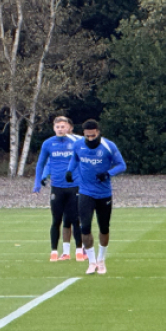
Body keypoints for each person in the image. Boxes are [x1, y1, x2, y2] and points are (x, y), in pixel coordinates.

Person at [65, 120, 125, 275]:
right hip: (85, 192)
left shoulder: (108, 146)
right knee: (85, 227)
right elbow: (75, 158)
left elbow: (121, 165)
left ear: (98, 132)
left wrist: (108, 173)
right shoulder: (78, 145)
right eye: (87, 136)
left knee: (104, 227)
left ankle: (101, 259)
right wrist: (70, 171)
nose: (90, 139)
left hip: (104, 193)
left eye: (93, 136)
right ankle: (91, 262)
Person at [34, 116, 85, 262]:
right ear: (54, 128)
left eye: (63, 126)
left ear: (69, 128)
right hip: (57, 187)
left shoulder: (77, 142)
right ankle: (54, 252)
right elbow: (42, 163)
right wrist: (38, 181)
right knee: (56, 220)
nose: (60, 129)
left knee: (76, 220)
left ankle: (80, 251)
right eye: (58, 127)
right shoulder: (48, 143)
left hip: (74, 186)